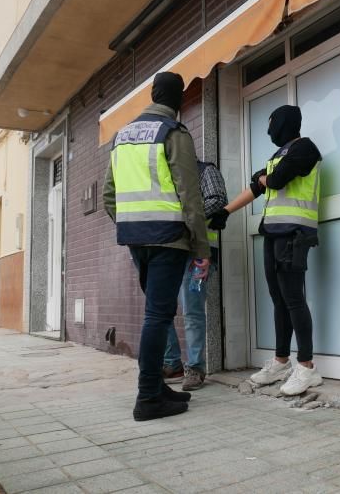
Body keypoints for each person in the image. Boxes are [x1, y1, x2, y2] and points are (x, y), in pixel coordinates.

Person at [103, 72, 210, 421]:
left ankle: (158, 387)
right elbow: (189, 194)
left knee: (157, 313)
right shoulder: (173, 133)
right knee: (157, 315)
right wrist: (201, 247)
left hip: (137, 239)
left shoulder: (122, 136)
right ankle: (148, 397)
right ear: (178, 101)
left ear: (152, 95)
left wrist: (132, 223)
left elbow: (108, 195)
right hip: (168, 238)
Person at [212, 105, 322, 396]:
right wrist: (225, 211)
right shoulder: (277, 155)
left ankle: (308, 367)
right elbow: (256, 187)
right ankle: (281, 362)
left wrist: (264, 178)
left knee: (294, 299)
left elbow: (274, 181)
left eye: (271, 124)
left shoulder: (305, 148)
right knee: (278, 300)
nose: (269, 131)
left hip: (295, 233)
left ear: (284, 123)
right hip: (273, 234)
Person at [163, 160, 227, 390]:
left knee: (192, 310)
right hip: (170, 252)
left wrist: (185, 218)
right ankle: (172, 364)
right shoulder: (164, 176)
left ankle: (195, 368)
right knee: (161, 310)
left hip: (199, 254)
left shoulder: (204, 171)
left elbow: (218, 200)